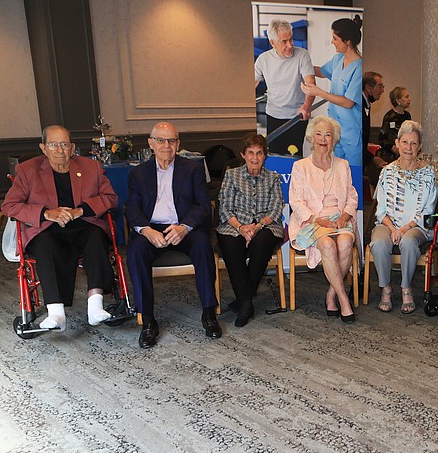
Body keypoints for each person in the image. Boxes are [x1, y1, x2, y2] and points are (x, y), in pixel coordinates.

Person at [2, 125, 118, 330]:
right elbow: (10, 205)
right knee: (45, 244)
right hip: (46, 228)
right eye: (53, 144)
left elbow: (110, 198)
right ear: (43, 148)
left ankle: (95, 305)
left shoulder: (91, 167)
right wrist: (46, 213)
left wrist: (80, 211)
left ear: (72, 147)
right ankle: (55, 313)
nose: (59, 150)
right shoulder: (28, 170)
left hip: (84, 225)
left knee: (96, 237)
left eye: (64, 144)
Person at [126, 122, 221, 349]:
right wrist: (146, 230)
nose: (166, 145)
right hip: (152, 228)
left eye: (171, 140)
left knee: (203, 246)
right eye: (160, 140)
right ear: (151, 144)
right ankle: (148, 321)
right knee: (135, 252)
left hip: (184, 228)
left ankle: (209, 313)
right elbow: (132, 208)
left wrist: (185, 227)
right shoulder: (138, 173)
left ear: (178, 144)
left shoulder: (192, 169)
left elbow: (203, 205)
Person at [288, 116, 359, 323]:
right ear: (311, 137)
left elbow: (352, 197)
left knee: (346, 242)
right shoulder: (301, 166)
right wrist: (320, 221)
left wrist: (344, 216)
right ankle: (343, 299)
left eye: (328, 135)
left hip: (340, 220)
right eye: (318, 134)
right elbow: (296, 202)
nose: (323, 139)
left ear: (334, 139)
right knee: (327, 245)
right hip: (313, 222)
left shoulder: (343, 165)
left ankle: (331, 294)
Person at [215, 133, 284, 328]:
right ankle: (246, 302)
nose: (255, 157)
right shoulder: (232, 175)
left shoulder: (273, 178)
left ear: (265, 155)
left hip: (265, 225)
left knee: (261, 243)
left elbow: (276, 208)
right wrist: (240, 227)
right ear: (243, 155)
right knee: (232, 245)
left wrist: (257, 226)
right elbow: (225, 207)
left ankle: (242, 301)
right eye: (250, 153)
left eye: (259, 153)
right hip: (234, 224)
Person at [370, 120, 437, 314]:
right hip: (388, 224)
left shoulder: (428, 173)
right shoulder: (387, 171)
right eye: (405, 142)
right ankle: (386, 288)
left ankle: (406, 287)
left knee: (408, 242)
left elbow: (428, 211)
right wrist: (393, 229)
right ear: (397, 144)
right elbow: (381, 210)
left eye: (414, 143)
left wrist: (404, 229)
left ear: (420, 146)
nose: (409, 147)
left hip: (416, 227)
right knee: (378, 242)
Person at [301, 17, 363, 174]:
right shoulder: (338, 59)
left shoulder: (359, 67)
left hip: (351, 131)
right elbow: (322, 71)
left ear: (347, 41)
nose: (332, 42)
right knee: (337, 173)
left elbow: (348, 102)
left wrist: (319, 92)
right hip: (336, 130)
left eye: (335, 38)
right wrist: (301, 65)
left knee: (353, 174)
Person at [253, 19, 316, 156]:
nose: (290, 44)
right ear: (272, 43)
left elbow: (311, 84)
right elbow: (253, 84)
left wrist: (306, 106)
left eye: (291, 39)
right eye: (284, 41)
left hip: (296, 116)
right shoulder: (263, 60)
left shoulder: (302, 55)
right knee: (274, 154)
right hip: (273, 115)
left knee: (294, 156)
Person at [362, 71, 387, 188]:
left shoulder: (366, 104)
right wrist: (372, 158)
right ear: (368, 87)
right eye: (380, 86)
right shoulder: (359, 104)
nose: (382, 91)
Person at [377, 87, 412, 163]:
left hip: (405, 152)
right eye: (406, 97)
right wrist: (393, 148)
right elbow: (382, 139)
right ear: (398, 100)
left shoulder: (407, 115)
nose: (409, 100)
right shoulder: (389, 116)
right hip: (390, 155)